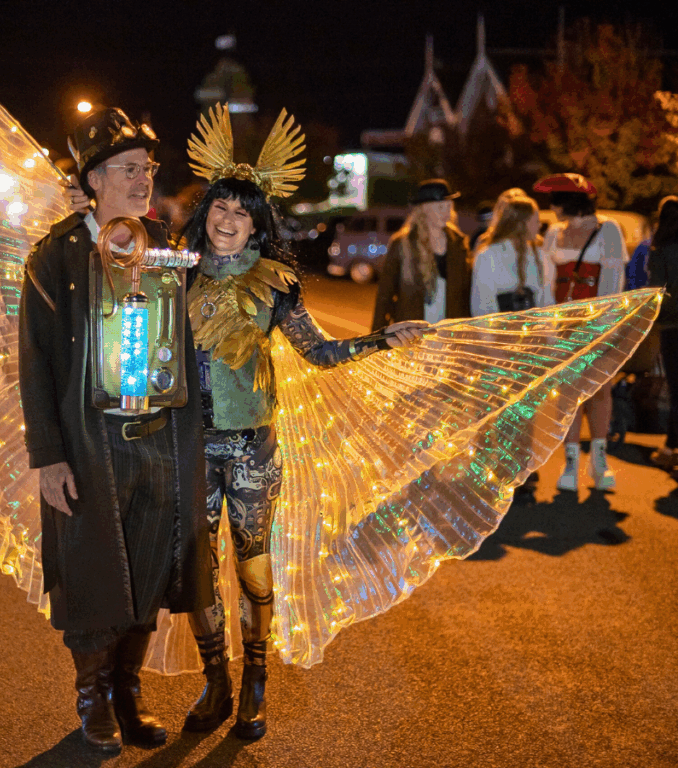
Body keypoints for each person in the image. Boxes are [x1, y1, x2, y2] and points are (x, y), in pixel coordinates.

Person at [178, 104, 426, 739]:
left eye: (242, 213)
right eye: (220, 208)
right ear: (205, 213)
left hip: (252, 448)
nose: (227, 221)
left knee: (252, 566)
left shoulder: (277, 284)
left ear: (259, 228)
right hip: (186, 448)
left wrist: (382, 340)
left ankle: (256, 680)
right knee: (196, 571)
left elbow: (317, 351)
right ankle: (217, 682)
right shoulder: (170, 278)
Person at [18, 107, 212, 754]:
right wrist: (48, 457)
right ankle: (92, 697)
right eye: (127, 169)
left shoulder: (167, 248)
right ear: (94, 179)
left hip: (161, 440)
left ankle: (128, 688)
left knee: (153, 571)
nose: (142, 179)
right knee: (94, 572)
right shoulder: (57, 256)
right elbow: (36, 360)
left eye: (147, 168)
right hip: (88, 446)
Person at [534, 173, 627, 491]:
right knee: (569, 394)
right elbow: (547, 284)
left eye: (555, 201)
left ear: (566, 202)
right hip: (562, 325)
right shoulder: (554, 233)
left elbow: (614, 285)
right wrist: (549, 329)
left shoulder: (608, 229)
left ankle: (599, 463)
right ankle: (571, 462)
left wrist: (603, 329)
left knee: (600, 390)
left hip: (596, 325)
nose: (552, 208)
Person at [470, 192, 553, 504]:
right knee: (496, 409)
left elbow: (546, 304)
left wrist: (551, 342)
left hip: (526, 343)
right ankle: (495, 473)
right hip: (503, 341)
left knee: (522, 409)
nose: (539, 223)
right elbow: (483, 306)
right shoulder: (489, 255)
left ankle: (518, 473)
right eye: (534, 218)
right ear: (520, 222)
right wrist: (493, 349)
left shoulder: (539, 255)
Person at [372, 179, 472, 331]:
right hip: (412, 337)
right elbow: (384, 296)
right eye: (440, 207)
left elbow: (466, 296)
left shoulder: (458, 243)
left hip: (449, 335)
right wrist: (375, 339)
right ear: (424, 209)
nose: (446, 212)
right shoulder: (402, 243)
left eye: (448, 206)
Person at [647, 196, 678, 472]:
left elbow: (655, 288)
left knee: (676, 387)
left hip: (672, 325)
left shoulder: (660, 250)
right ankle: (670, 446)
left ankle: (670, 448)